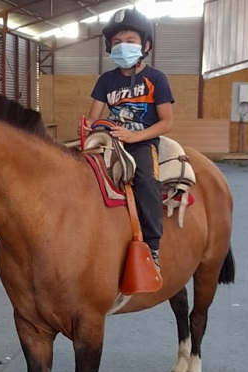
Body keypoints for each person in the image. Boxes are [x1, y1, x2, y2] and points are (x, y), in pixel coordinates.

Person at [85, 8, 174, 271]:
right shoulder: (106, 80)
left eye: (130, 41)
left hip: (142, 142)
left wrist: (134, 135)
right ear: (109, 47)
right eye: (117, 42)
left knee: (147, 181)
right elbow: (93, 118)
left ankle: (153, 247)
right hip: (109, 140)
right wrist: (87, 130)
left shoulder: (156, 79)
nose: (123, 46)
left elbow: (167, 123)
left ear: (145, 45)